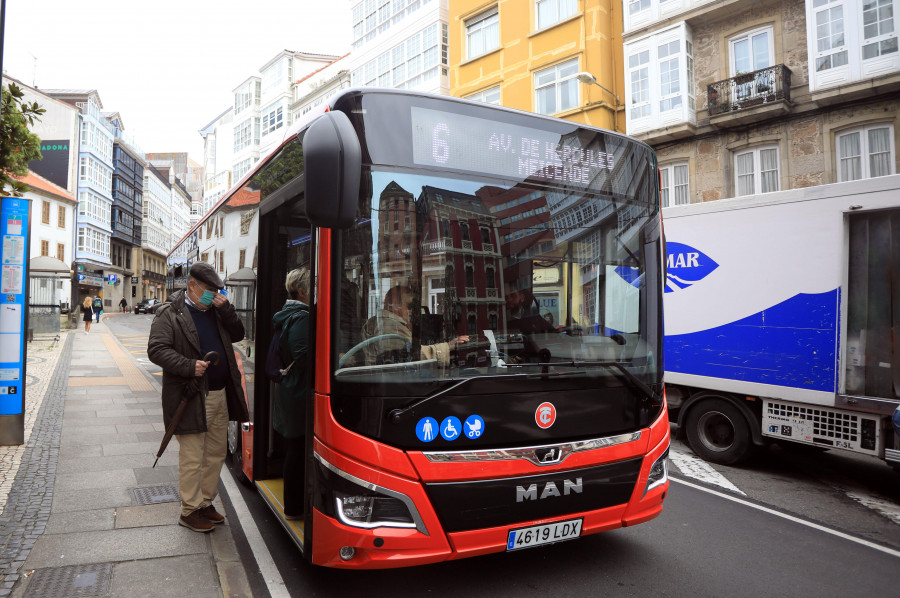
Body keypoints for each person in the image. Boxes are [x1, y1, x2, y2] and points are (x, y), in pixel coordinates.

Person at [147, 262, 249, 533]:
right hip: (190, 395)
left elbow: (238, 334)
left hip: (220, 394)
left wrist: (226, 309)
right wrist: (188, 365)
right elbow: (156, 350)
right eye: (208, 290)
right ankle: (189, 510)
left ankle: (205, 502)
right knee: (193, 455)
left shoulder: (217, 310)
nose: (212, 295)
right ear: (191, 285)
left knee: (215, 453)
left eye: (217, 290)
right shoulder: (170, 313)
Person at [271, 267, 311, 519]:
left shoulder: (288, 314)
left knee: (294, 448)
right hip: (299, 391)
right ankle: (295, 507)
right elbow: (304, 356)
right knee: (297, 449)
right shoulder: (302, 317)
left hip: (291, 389)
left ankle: (294, 505)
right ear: (302, 291)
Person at [361, 285, 468, 366]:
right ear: (395, 304)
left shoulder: (379, 321)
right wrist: (448, 346)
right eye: (410, 306)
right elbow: (411, 356)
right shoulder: (389, 326)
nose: (412, 311)